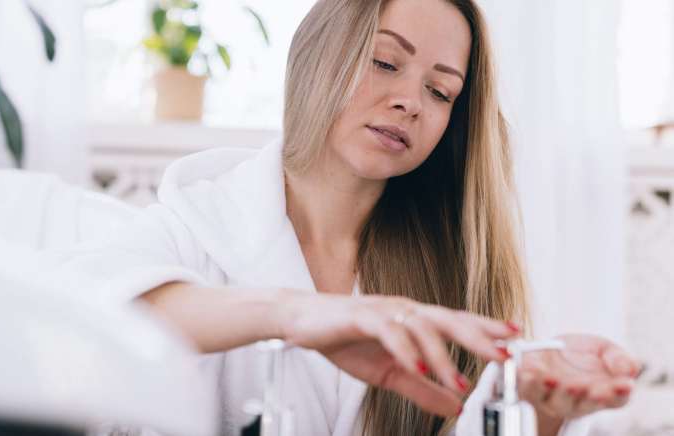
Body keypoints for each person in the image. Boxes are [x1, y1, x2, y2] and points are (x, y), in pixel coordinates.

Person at [58, 0, 639, 434]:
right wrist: (292, 314)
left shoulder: (453, 272)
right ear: (316, 56)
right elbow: (81, 311)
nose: (411, 100)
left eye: (440, 92)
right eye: (386, 62)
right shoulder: (195, 222)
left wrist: (531, 411)